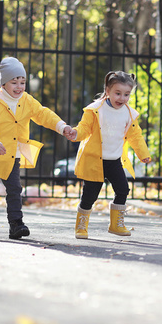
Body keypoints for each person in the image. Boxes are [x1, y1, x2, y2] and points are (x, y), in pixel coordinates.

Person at [0, 57, 72, 239]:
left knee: (14, 188)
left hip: (14, 153)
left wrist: (62, 126)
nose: (19, 87)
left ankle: (16, 224)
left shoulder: (26, 100)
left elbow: (43, 114)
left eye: (22, 82)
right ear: (4, 83)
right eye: (14, 82)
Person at [65, 71, 151, 239]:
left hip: (114, 161)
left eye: (126, 94)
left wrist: (143, 154)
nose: (122, 98)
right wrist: (75, 134)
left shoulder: (129, 114)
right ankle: (81, 226)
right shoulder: (96, 110)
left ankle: (116, 225)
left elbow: (136, 136)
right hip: (94, 161)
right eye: (117, 93)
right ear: (108, 91)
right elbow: (84, 128)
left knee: (123, 189)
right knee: (90, 195)